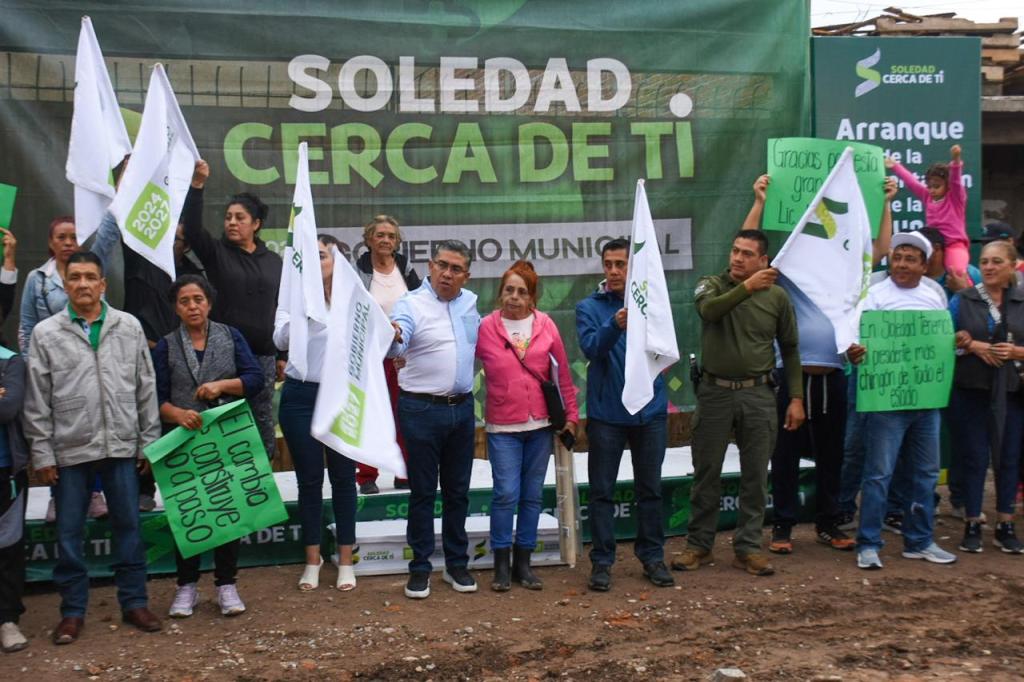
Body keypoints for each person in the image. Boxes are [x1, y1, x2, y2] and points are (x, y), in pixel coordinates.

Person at [741, 175, 900, 554]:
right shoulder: (791, 271)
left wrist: (887, 202)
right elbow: (747, 249)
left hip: (834, 377)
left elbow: (879, 250)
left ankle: (829, 524)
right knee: (785, 456)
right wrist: (760, 200)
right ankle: (782, 527)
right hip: (790, 377)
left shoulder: (848, 271)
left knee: (833, 455)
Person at [23, 251, 162, 644]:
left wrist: (147, 442)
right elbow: (37, 399)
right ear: (65, 285)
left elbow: (145, 388)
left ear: (103, 284)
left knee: (129, 529)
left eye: (91, 277)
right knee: (68, 534)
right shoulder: (46, 333)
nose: (83, 284)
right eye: (75, 277)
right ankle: (71, 612)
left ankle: (134, 602)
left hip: (121, 445)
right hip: (70, 450)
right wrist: (43, 454)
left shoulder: (128, 326)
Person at [674, 229, 804, 577]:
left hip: (759, 394)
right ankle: (698, 545)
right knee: (706, 474)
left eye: (747, 253)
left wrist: (796, 397)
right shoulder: (712, 285)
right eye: (734, 250)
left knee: (756, 475)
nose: (737, 258)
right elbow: (709, 312)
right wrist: (746, 288)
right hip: (715, 392)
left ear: (764, 261)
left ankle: (747, 548)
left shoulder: (777, 298)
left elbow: (790, 350)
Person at [153, 275, 265, 616]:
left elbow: (255, 379)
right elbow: (154, 398)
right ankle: (186, 588)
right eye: (185, 301)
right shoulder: (166, 345)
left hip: (224, 439)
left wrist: (222, 386)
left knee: (227, 511)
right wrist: (176, 413)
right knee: (188, 514)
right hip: (182, 441)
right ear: (176, 307)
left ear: (209, 303)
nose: (192, 306)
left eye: (198, 299)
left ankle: (226, 585)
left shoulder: (230, 336)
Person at [848, 231, 957, 570]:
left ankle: (920, 541)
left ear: (924, 265)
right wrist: (857, 352)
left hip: (926, 403)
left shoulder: (935, 294)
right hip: (885, 405)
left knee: (925, 473)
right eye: (897, 257)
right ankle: (868, 543)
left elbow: (942, 343)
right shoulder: (875, 295)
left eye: (911, 259)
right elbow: (857, 340)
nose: (902, 265)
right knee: (879, 474)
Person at [576, 239, 675, 591]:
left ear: (633, 268)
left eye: (621, 264)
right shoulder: (589, 307)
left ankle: (652, 557)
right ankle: (602, 562)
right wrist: (615, 324)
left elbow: (667, 348)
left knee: (650, 490)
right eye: (609, 264)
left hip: (650, 414)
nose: (615, 271)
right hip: (607, 416)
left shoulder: (655, 304)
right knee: (602, 492)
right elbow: (590, 348)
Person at [476, 260, 578, 591]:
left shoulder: (546, 325)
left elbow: (561, 374)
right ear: (500, 293)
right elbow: (461, 363)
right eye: (509, 290)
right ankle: (501, 565)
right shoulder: (486, 327)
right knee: (506, 494)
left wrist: (571, 417)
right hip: (503, 427)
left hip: (540, 426)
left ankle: (524, 563)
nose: (514, 297)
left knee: (532, 496)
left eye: (522, 291)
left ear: (532, 297)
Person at [389, 240, 480, 599]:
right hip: (420, 410)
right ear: (430, 266)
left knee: (458, 493)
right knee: (423, 493)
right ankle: (420, 569)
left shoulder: (471, 303)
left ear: (466, 275)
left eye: (456, 268)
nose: (447, 273)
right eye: (442, 265)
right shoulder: (409, 303)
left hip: (462, 409)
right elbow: (399, 337)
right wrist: (395, 338)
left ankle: (457, 565)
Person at [182, 160, 281, 460]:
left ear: (256, 224)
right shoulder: (216, 253)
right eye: (227, 217)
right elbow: (194, 230)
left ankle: (262, 490)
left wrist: (284, 355)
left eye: (240, 217)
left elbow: (282, 309)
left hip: (263, 356)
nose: (231, 223)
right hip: (224, 355)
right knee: (225, 423)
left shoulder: (274, 261)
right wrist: (197, 186)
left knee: (262, 420)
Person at [276, 235, 358, 592]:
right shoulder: (294, 298)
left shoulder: (353, 301)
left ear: (337, 263)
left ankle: (345, 558)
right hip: (299, 396)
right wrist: (305, 310)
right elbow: (280, 340)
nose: (317, 262)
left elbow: (372, 339)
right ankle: (312, 559)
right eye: (311, 257)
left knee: (343, 478)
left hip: (339, 396)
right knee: (309, 480)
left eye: (323, 256)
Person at [18, 216, 109, 522]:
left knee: (95, 429)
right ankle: (59, 498)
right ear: (50, 243)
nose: (69, 243)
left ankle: (96, 493)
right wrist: (34, 366)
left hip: (92, 366)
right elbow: (27, 326)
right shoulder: (37, 279)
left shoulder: (93, 273)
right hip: (53, 371)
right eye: (62, 238)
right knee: (59, 436)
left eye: (74, 237)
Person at [948, 240, 1024, 554]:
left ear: (1011, 266)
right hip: (971, 389)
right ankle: (972, 521)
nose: (989, 268)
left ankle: (1005, 523)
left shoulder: (1022, 300)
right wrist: (969, 344)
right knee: (974, 457)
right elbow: (942, 337)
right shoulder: (963, 299)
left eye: (996, 262)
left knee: (1009, 457)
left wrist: (1017, 351)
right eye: (985, 261)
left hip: (1013, 391)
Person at [355, 215, 420, 494]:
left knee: (403, 413)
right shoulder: (357, 272)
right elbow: (352, 313)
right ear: (369, 239)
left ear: (397, 242)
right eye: (379, 235)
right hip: (370, 356)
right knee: (370, 414)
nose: (385, 240)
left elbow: (421, 306)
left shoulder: (406, 269)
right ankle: (367, 475)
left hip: (402, 357)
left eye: (391, 236)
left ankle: (403, 472)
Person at [886, 145, 968, 280]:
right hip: (932, 243)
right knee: (914, 264)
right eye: (929, 186)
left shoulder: (955, 199)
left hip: (954, 244)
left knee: (957, 271)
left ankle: (969, 292)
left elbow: (956, 181)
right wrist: (895, 166)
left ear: (947, 186)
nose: (931, 190)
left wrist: (956, 161)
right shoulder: (928, 197)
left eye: (936, 186)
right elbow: (911, 182)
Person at [0, 343, 28, 653]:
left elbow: (8, 409)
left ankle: (7, 620)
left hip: (5, 469)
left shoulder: (10, 361)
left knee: (7, 548)